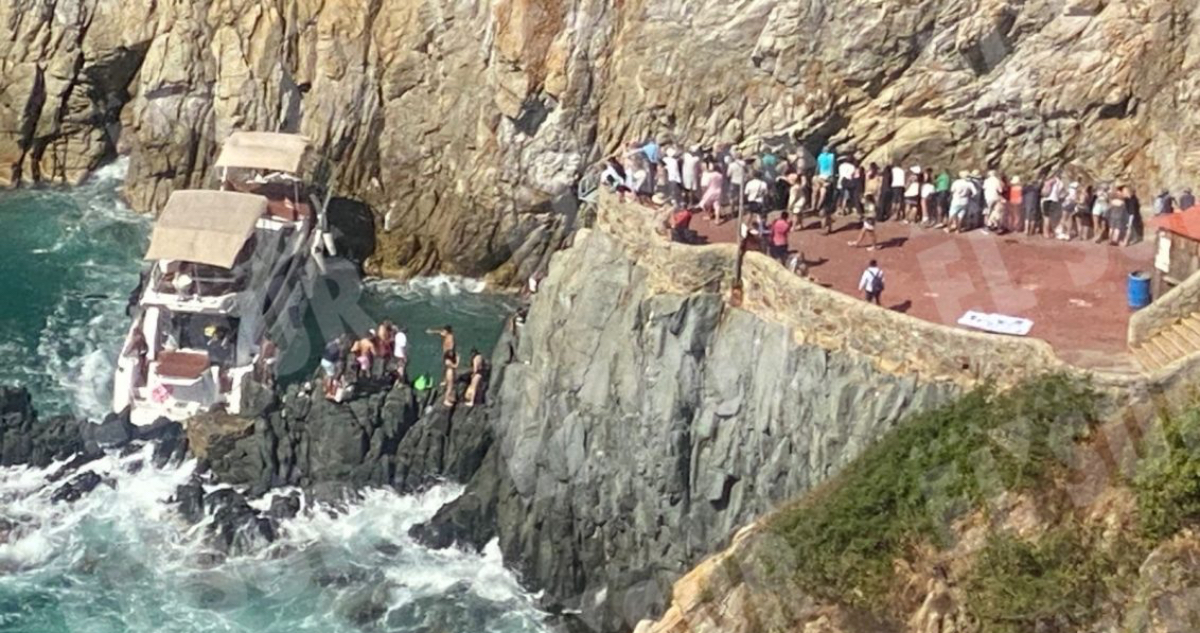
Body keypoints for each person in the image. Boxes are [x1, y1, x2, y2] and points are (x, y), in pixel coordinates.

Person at [1041, 172, 1064, 239]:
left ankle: (1046, 233)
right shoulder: (1061, 183)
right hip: (1055, 200)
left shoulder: (1049, 181)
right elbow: (1061, 194)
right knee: (1052, 218)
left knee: (1046, 217)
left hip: (1046, 199)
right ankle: (1052, 232)